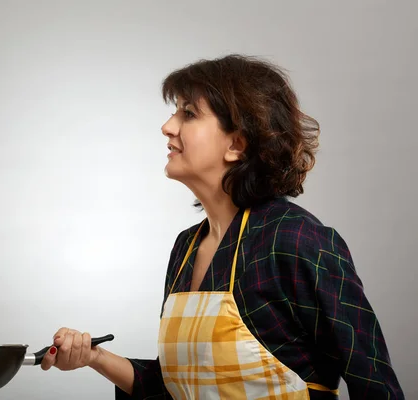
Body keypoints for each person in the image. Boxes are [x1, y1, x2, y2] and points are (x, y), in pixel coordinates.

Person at [39, 54, 405, 399]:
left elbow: (375, 385)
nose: (168, 127)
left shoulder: (294, 238)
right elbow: (180, 388)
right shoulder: (186, 248)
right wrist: (95, 358)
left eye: (188, 114)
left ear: (236, 143)